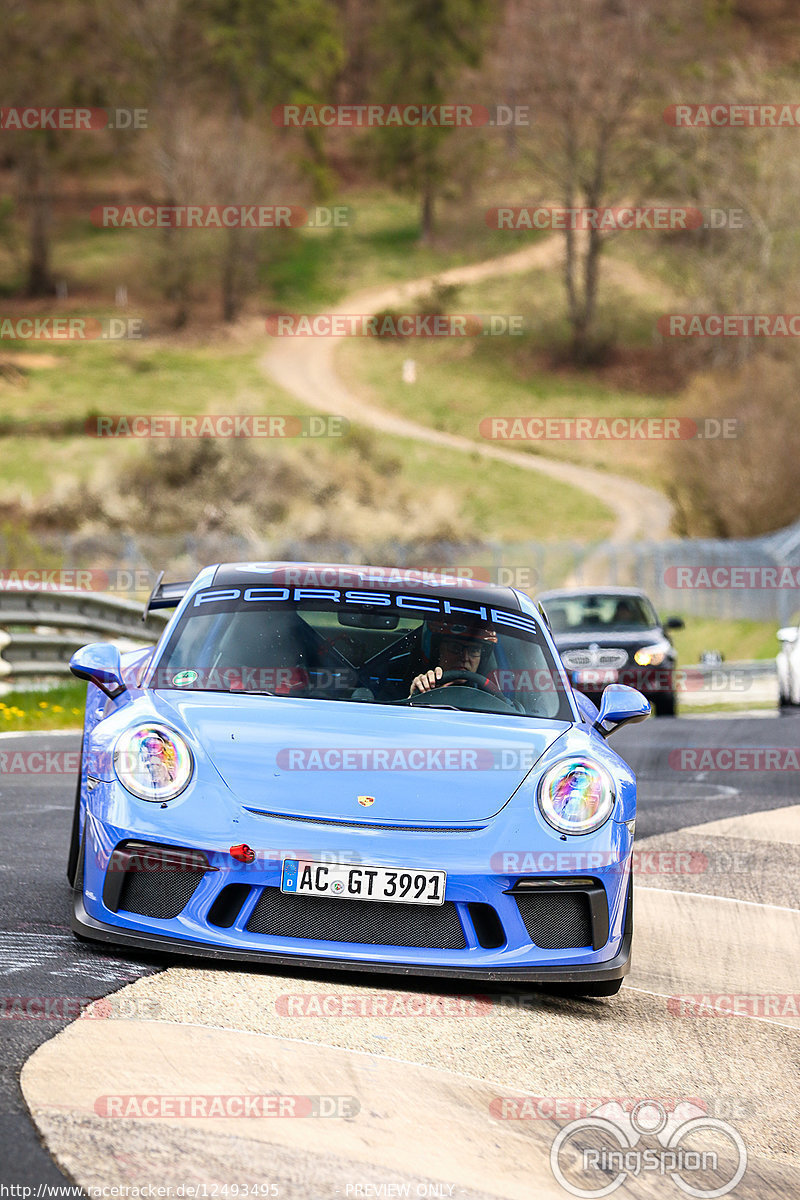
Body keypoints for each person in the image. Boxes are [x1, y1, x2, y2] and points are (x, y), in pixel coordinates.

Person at [409, 619, 498, 695]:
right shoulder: (421, 686)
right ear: (437, 651)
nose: (465, 658)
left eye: (474, 650)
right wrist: (418, 694)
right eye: (455, 648)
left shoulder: (492, 694)